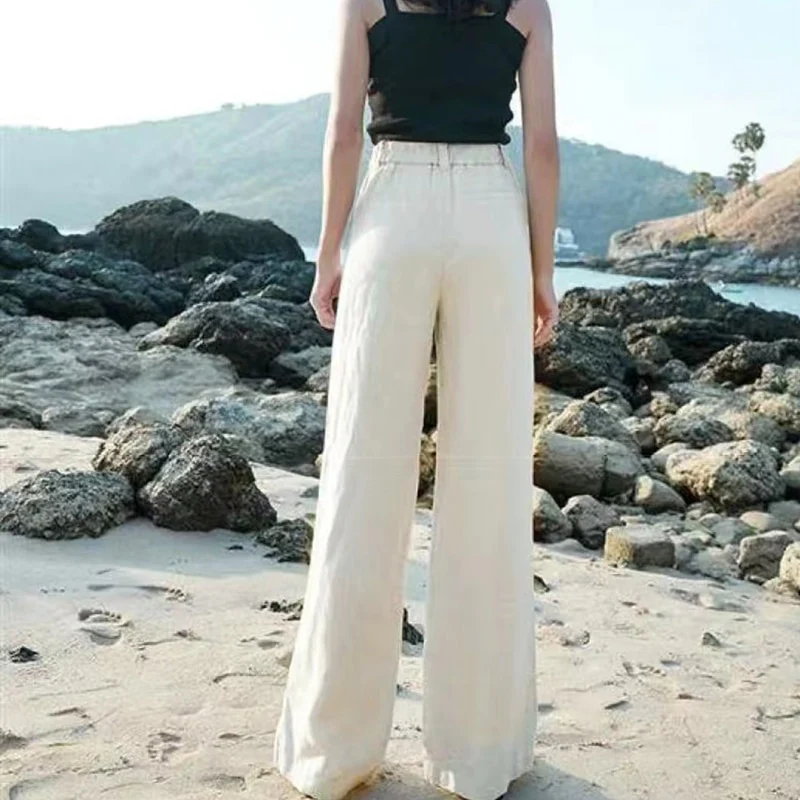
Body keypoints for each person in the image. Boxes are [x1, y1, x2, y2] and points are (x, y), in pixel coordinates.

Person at [274, 0, 560, 798]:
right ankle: (480, 755)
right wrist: (542, 271)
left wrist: (328, 254)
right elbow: (541, 146)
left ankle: (332, 754)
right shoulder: (527, 7)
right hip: (490, 214)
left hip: (392, 205)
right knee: (488, 481)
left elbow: (340, 132)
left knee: (364, 477)